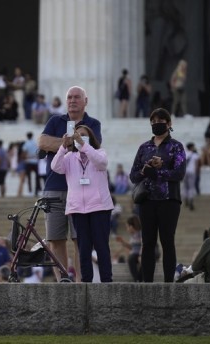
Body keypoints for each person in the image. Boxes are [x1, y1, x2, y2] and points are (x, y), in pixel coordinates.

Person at [38, 85, 102, 282]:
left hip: (81, 188)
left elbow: (93, 146)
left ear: (85, 101)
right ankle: (63, 280)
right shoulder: (55, 120)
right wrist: (69, 142)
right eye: (69, 97)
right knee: (55, 238)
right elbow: (42, 142)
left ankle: (83, 280)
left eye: (77, 97)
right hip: (54, 186)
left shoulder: (93, 123)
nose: (72, 100)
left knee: (80, 238)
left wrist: (60, 143)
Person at [50, 125, 114, 283]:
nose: (80, 136)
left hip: (99, 207)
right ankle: (86, 282)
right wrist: (63, 147)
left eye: (83, 135)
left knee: (101, 246)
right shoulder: (69, 157)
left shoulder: (99, 153)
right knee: (83, 249)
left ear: (91, 138)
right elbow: (55, 167)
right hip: (78, 209)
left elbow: (102, 163)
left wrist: (84, 146)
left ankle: (107, 280)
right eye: (77, 134)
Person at [129, 108, 186, 282]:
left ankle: (169, 282)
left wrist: (160, 172)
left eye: (160, 121)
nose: (156, 124)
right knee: (147, 243)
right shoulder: (144, 147)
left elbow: (179, 173)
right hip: (147, 199)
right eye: (153, 122)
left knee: (167, 241)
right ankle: (147, 282)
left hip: (169, 200)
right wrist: (147, 170)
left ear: (169, 124)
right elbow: (133, 175)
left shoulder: (176, 146)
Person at [115, 215, 143, 282]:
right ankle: (137, 279)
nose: (127, 229)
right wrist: (123, 242)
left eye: (127, 227)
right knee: (130, 259)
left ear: (131, 226)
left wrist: (140, 255)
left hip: (140, 253)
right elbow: (131, 247)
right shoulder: (133, 235)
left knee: (138, 260)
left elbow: (143, 244)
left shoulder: (140, 233)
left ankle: (139, 279)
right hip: (134, 254)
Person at [183, 142, 200, 210]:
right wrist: (197, 172)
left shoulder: (184, 153)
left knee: (185, 187)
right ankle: (191, 200)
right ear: (191, 147)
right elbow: (196, 165)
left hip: (185, 172)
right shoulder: (195, 154)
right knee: (191, 187)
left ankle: (185, 199)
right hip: (192, 172)